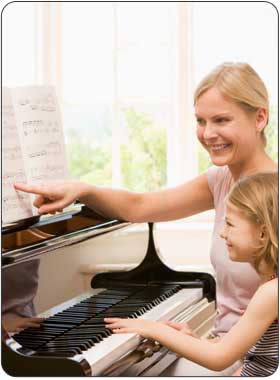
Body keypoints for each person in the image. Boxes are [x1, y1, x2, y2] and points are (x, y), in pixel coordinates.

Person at [14, 62, 277, 375]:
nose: (208, 133)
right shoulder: (221, 180)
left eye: (221, 120)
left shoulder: (270, 197)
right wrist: (84, 190)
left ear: (260, 117)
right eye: (200, 121)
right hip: (230, 351)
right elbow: (140, 206)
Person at [104, 172, 278, 376]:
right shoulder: (270, 285)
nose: (222, 233)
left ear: (263, 234)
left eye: (230, 224)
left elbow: (219, 359)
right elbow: (259, 355)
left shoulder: (271, 292)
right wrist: (195, 341)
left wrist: (153, 328)